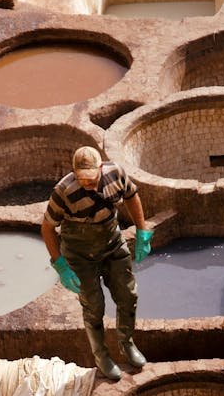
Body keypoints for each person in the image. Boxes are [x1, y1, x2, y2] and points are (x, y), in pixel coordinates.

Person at [41, 146, 154, 381]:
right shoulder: (63, 190)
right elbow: (47, 227)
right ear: (73, 173)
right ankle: (102, 356)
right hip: (79, 253)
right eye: (82, 180)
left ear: (101, 168)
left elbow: (132, 196)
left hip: (111, 243)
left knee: (128, 295)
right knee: (94, 306)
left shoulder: (116, 174)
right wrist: (60, 265)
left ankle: (127, 344)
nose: (88, 185)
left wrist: (142, 230)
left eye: (91, 179)